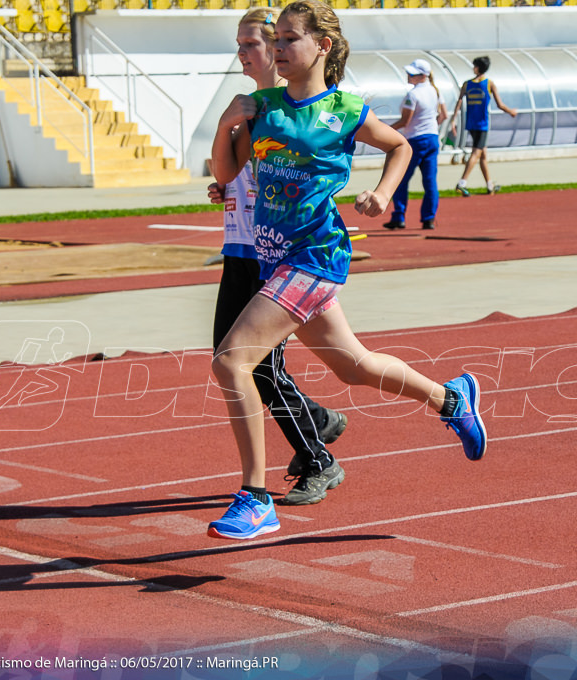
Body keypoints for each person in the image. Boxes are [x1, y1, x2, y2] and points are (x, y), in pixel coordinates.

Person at [207, 0, 488, 541]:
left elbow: (401, 145)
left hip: (314, 257)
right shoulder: (261, 105)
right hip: (274, 258)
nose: (279, 49)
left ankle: (256, 497)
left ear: (322, 47)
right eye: (278, 40)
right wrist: (227, 124)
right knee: (354, 366)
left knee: (231, 362)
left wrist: (383, 193)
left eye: (290, 39)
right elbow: (227, 170)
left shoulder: (346, 109)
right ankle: (451, 398)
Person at [207, 7, 348, 507]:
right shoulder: (250, 105)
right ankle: (320, 423)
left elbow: (314, 169)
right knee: (234, 358)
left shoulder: (292, 106)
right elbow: (232, 171)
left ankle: (317, 457)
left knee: (256, 367)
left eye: (250, 44)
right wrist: (223, 180)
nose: (241, 54)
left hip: (281, 256)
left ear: (277, 48)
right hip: (238, 245)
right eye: (239, 44)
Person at [382, 58, 447, 231]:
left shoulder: (413, 94)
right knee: (430, 181)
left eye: (412, 74)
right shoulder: (435, 91)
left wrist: (385, 130)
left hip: (415, 140)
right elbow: (443, 116)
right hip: (432, 138)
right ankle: (429, 219)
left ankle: (399, 216)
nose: (408, 76)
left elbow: (405, 121)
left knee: (401, 179)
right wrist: (431, 127)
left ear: (421, 76)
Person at [449, 55, 517, 196]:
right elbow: (500, 104)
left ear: (479, 67)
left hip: (472, 124)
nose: (473, 68)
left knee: (483, 154)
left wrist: (453, 120)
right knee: (476, 153)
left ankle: (489, 185)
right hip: (482, 124)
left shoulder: (467, 84)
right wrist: (511, 111)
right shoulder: (489, 83)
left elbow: (459, 102)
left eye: (475, 65)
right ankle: (462, 183)